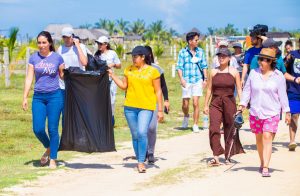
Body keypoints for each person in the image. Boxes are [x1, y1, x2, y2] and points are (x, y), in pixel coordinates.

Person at [108, 46, 163, 173]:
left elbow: (158, 91)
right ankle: (140, 159)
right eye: (132, 56)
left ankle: (140, 162)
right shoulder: (129, 69)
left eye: (135, 56)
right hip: (130, 107)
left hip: (146, 107)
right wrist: (112, 75)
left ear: (143, 57)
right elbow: (123, 86)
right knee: (135, 135)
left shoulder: (153, 71)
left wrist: (160, 110)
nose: (133, 59)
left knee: (142, 132)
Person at [239, 48, 291, 177]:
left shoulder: (278, 76)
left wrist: (287, 111)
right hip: (255, 111)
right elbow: (247, 91)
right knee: (259, 138)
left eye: (264, 60)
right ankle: (262, 162)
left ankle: (266, 166)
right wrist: (242, 105)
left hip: (272, 112)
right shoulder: (253, 73)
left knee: (267, 137)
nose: (261, 62)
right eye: (260, 59)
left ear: (271, 62)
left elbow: (283, 95)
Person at [22, 31, 65, 169]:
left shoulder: (57, 58)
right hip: (38, 97)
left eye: (44, 42)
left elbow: (63, 76)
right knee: (38, 128)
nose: (41, 45)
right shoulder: (33, 58)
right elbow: (29, 78)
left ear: (50, 43)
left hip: (55, 96)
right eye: (39, 43)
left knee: (52, 128)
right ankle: (49, 147)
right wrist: (25, 97)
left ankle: (53, 158)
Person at [204, 48, 244, 166]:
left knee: (229, 128)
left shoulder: (234, 72)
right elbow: (209, 89)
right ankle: (216, 156)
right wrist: (206, 105)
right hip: (215, 102)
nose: (221, 58)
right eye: (219, 56)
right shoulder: (213, 72)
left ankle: (228, 155)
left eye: (224, 56)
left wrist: (241, 104)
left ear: (229, 58)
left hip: (230, 102)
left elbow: (239, 89)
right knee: (214, 128)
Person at [176, 31, 208, 133]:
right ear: (190, 41)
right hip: (186, 80)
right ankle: (186, 116)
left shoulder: (201, 52)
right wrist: (181, 79)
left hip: (197, 79)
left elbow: (204, 66)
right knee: (185, 104)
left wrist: (205, 79)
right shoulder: (182, 52)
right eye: (196, 40)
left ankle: (195, 124)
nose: (198, 41)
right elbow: (179, 67)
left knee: (195, 102)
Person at [57, 27, 88, 124]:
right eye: (64, 37)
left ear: (72, 37)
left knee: (79, 112)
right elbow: (59, 68)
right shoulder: (60, 49)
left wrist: (77, 45)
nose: (66, 39)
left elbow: (84, 63)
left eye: (68, 37)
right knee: (65, 113)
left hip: (78, 86)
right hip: (64, 85)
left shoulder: (81, 47)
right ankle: (66, 136)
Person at [144, 45, 170, 164]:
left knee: (152, 128)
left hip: (154, 101)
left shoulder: (157, 69)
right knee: (141, 129)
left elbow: (163, 86)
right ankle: (144, 151)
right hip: (140, 101)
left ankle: (151, 151)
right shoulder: (136, 69)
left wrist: (166, 100)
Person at [94, 36, 121, 126]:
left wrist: (112, 64)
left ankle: (111, 121)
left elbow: (119, 65)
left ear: (106, 44)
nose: (99, 45)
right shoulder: (97, 55)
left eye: (101, 44)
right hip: (100, 82)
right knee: (101, 102)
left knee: (111, 102)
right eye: (98, 43)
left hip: (111, 81)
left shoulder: (112, 53)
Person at [285, 39, 300, 151]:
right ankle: (292, 141)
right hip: (294, 90)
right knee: (294, 115)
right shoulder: (293, 54)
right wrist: (288, 60)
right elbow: (283, 69)